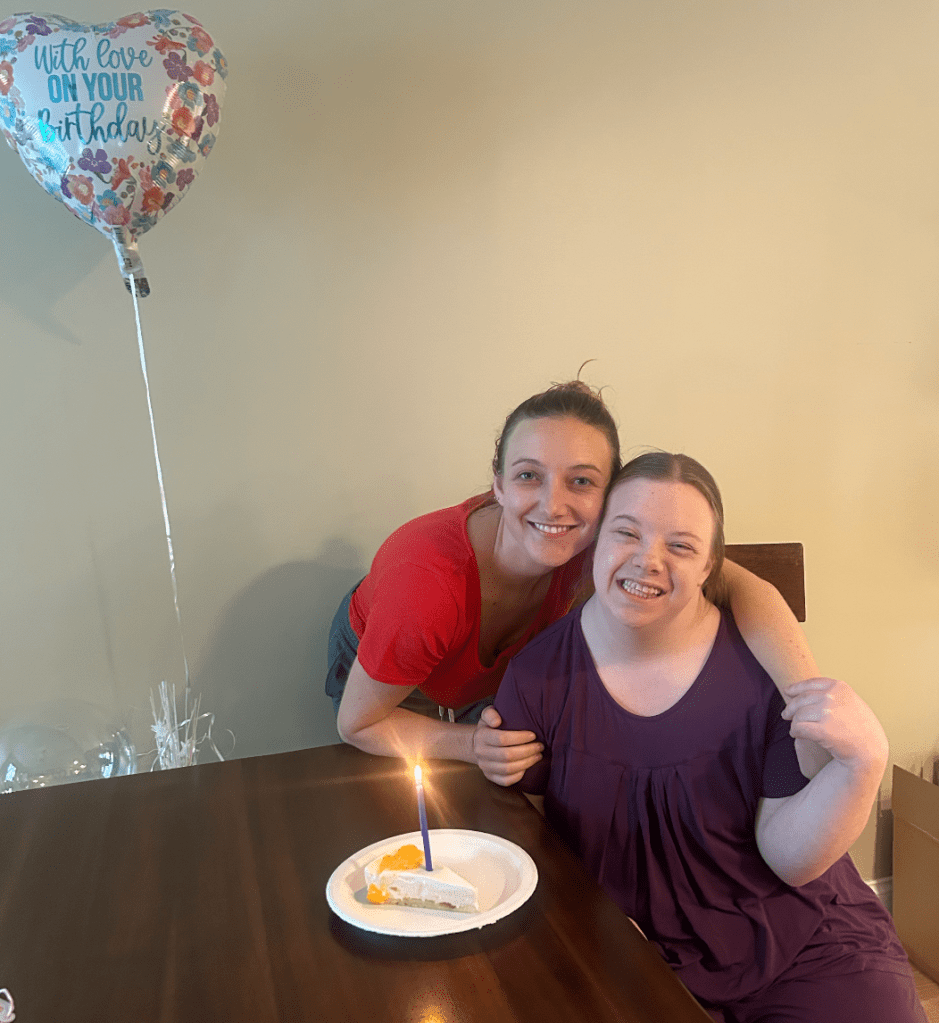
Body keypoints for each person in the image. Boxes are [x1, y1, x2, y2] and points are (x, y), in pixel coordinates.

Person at [489, 452, 925, 1023]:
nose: (648, 560)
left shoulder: (764, 667)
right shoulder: (537, 677)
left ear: (709, 567)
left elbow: (788, 860)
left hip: (798, 939)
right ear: (596, 541)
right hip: (629, 949)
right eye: (627, 533)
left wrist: (863, 766)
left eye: (681, 546)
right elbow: (526, 839)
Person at [329, 380, 824, 780]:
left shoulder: (602, 542)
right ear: (498, 484)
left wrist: (806, 702)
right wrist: (471, 745)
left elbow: (740, 584)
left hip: (492, 675)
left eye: (581, 481)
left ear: (611, 499)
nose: (553, 506)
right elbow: (360, 724)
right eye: (529, 476)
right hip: (387, 677)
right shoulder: (426, 586)